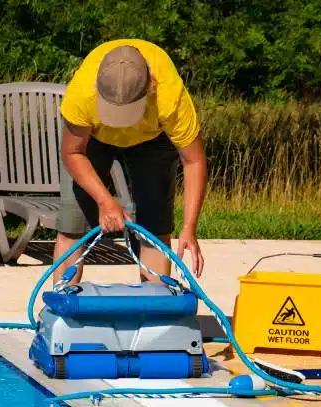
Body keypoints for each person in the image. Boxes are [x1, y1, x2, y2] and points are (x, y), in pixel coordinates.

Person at [54, 39, 208, 283]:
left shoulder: (170, 96)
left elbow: (194, 161)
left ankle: (153, 312)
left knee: (154, 230)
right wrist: (105, 201)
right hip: (93, 139)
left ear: (150, 89)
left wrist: (189, 227)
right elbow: (73, 152)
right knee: (72, 224)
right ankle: (61, 309)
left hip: (153, 138)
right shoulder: (81, 93)